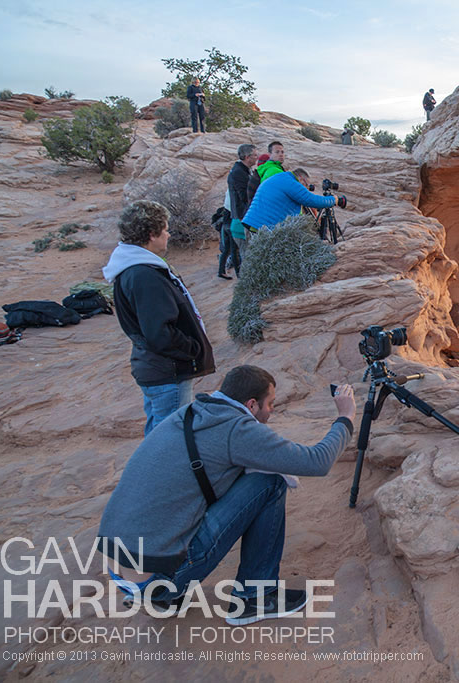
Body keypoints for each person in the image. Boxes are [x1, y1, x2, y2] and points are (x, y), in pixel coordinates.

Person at [98, 365, 357, 624]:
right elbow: (317, 462)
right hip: (157, 580)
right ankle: (255, 597)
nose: (272, 411)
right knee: (271, 482)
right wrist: (345, 417)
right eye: (271, 404)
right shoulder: (235, 428)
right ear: (252, 404)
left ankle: (165, 596)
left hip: (119, 571)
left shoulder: (191, 411)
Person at [103, 201, 215, 436]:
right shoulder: (144, 274)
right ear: (152, 234)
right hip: (167, 371)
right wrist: (193, 349)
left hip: (157, 368)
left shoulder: (136, 268)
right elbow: (159, 332)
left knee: (158, 435)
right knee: (170, 440)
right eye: (165, 230)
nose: (168, 234)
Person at [242, 168, 347, 233]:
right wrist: (334, 199)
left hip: (256, 224)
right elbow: (312, 200)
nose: (306, 188)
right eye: (306, 184)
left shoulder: (282, 177)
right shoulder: (290, 181)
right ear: (301, 178)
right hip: (263, 226)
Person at [222, 143, 258, 278]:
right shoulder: (239, 172)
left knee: (242, 251)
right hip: (241, 218)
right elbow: (243, 197)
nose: (256, 157)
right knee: (245, 253)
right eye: (255, 155)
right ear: (247, 157)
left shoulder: (243, 170)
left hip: (241, 217)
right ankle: (246, 282)